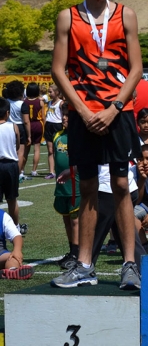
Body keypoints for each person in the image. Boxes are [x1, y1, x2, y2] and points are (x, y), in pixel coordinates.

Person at [50, 0, 143, 289]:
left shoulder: (126, 15)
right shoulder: (68, 18)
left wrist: (113, 108)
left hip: (117, 112)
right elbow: (58, 70)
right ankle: (84, 264)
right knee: (88, 187)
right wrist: (84, 111)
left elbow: (136, 69)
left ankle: (130, 265)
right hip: (84, 115)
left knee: (121, 185)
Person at [51, 102, 81, 270]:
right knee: (66, 220)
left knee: (75, 221)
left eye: (68, 115)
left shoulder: (79, 136)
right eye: (63, 114)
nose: (64, 117)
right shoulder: (57, 136)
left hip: (75, 186)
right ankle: (71, 251)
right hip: (61, 187)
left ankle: (77, 254)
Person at [0, 98, 22, 232]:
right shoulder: (14, 126)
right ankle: (15, 227)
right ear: (7, 113)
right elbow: (18, 145)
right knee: (12, 199)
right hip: (11, 165)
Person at [0, 203, 33, 280]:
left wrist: (17, 250)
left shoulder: (3, 216)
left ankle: (12, 271)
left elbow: (16, 236)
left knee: (12, 258)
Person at [3, 81, 27, 183]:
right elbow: (26, 121)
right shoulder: (22, 104)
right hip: (20, 127)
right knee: (20, 153)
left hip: (7, 126)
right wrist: (29, 135)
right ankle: (17, 174)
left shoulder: (6, 102)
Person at [21, 82, 46, 178]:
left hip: (27, 125)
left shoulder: (24, 101)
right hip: (38, 124)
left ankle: (22, 170)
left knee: (26, 150)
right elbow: (43, 117)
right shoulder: (40, 102)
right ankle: (34, 170)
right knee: (37, 148)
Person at [44, 84, 63, 180]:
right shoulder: (49, 103)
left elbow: (64, 116)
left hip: (57, 126)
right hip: (49, 126)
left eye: (50, 91)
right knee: (50, 151)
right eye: (48, 91)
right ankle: (51, 171)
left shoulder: (61, 103)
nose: (49, 93)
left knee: (58, 150)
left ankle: (60, 169)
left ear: (57, 92)